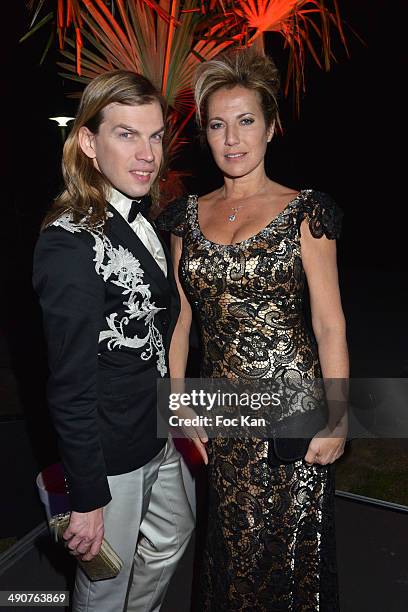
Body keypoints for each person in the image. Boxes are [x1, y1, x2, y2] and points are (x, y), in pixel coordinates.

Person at [158, 49, 348, 610]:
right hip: (224, 415)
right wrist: (178, 400)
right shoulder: (184, 216)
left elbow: (329, 324)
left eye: (245, 121)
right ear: (206, 135)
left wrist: (336, 420)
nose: (232, 138)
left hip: (293, 410)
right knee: (228, 554)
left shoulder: (304, 210)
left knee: (291, 562)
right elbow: (181, 320)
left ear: (270, 127)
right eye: (218, 124)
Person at [33, 70, 194, 612]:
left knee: (174, 532)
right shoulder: (69, 243)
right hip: (108, 460)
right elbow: (69, 386)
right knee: (103, 586)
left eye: (154, 136)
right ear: (88, 143)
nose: (147, 153)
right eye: (126, 134)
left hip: (152, 433)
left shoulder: (137, 217)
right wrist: (87, 497)